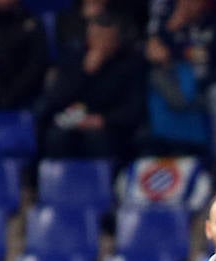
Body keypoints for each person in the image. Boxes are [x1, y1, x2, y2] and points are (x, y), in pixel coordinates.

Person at [39, 11, 148, 161]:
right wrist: (85, 73)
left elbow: (134, 107)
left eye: (107, 39)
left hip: (110, 126)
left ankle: (104, 183)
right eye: (96, 38)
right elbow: (56, 99)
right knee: (55, 137)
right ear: (88, 38)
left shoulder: (130, 63)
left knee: (96, 138)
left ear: (117, 40)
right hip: (73, 122)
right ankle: (56, 182)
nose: (101, 44)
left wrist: (104, 120)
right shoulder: (74, 59)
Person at [143, 0, 216, 159]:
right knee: (152, 82)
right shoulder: (166, 22)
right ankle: (158, 148)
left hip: (206, 89)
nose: (189, 4)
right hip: (175, 89)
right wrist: (170, 30)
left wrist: (199, 82)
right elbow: (154, 56)